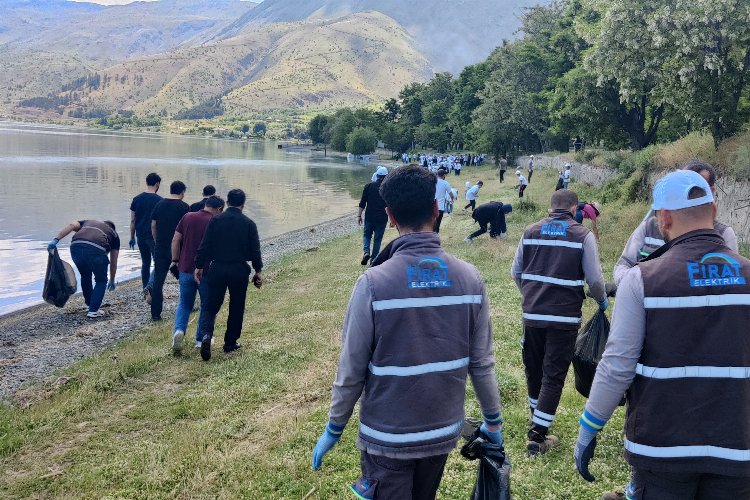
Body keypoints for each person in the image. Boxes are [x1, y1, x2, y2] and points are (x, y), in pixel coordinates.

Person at [311, 165, 504, 498]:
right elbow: (482, 363)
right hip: (442, 433)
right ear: (435, 209)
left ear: (389, 216)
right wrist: (493, 421)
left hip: (388, 440)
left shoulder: (372, 284)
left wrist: (334, 427)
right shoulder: (471, 279)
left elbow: (351, 370)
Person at [574, 169, 750, 499]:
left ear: (664, 218)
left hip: (661, 449)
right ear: (713, 212)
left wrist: (588, 428)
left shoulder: (642, 280)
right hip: (737, 447)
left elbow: (616, 366)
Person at [511, 189, 607, 456]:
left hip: (532, 315)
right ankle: (537, 435)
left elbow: (515, 271)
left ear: (550, 208)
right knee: (553, 375)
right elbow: (596, 281)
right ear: (575, 208)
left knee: (534, 370)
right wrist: (601, 302)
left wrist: (532, 296)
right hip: (564, 318)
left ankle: (537, 420)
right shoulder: (582, 235)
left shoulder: (530, 231)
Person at [613, 160, 738, 286]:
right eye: (682, 185)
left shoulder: (724, 234)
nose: (689, 194)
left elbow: (733, 280)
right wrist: (639, 284)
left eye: (696, 188)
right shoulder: (648, 227)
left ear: (711, 191)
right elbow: (624, 265)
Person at [195, 189, 263, 361]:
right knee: (237, 305)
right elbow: (255, 250)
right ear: (243, 204)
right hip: (239, 269)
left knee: (211, 305)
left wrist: (199, 265)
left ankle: (206, 336)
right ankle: (230, 343)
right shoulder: (249, 223)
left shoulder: (215, 220)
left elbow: (205, 245)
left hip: (217, 268)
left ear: (227, 202)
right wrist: (258, 270)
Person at [169, 195, 224, 353]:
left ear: (206, 205)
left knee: (184, 303)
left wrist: (175, 260)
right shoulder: (215, 222)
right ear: (219, 209)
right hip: (206, 272)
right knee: (207, 306)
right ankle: (200, 340)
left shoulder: (188, 216)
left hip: (185, 269)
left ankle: (179, 331)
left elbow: (175, 240)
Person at [47, 219, 120, 318]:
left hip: (75, 247)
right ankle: (93, 311)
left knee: (85, 276)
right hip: (96, 250)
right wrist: (112, 279)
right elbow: (114, 261)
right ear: (112, 229)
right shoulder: (114, 235)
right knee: (101, 280)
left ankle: (89, 305)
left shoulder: (87, 222)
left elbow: (72, 225)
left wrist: (56, 239)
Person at [148, 180, 189, 321]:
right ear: (182, 192)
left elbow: (153, 225)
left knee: (158, 281)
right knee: (184, 278)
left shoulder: (159, 204)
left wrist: (156, 240)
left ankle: (155, 314)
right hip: (178, 249)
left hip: (161, 247)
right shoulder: (184, 207)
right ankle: (186, 306)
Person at [129, 172, 161, 289]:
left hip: (140, 236)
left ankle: (144, 287)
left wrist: (132, 238)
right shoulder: (160, 201)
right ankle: (152, 286)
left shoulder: (136, 199)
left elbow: (133, 221)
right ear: (157, 184)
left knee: (145, 263)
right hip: (154, 237)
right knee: (158, 263)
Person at [358, 166, 389, 265]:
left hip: (369, 217)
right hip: (382, 218)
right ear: (386, 177)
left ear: (377, 175)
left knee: (367, 235)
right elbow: (391, 205)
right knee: (377, 239)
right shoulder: (388, 189)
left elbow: (362, 203)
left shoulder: (368, 186)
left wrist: (359, 216)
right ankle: (374, 259)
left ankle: (366, 251)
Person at [433, 169, 454, 233]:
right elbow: (451, 194)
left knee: (430, 225)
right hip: (440, 208)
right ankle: (434, 239)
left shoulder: (433, 181)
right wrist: (452, 200)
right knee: (437, 225)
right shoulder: (445, 183)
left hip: (431, 207)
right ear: (444, 175)